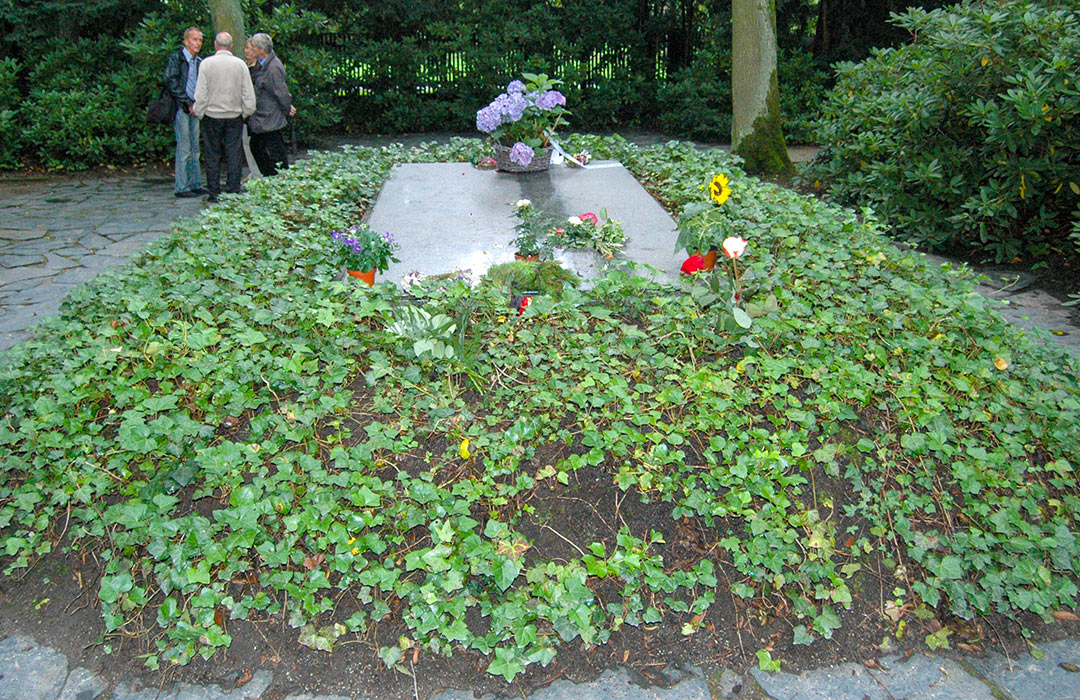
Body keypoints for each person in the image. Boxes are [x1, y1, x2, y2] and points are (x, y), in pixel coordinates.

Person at [193, 32, 256, 203]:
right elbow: (247, 93)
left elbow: (201, 93)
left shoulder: (206, 64)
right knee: (233, 153)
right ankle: (233, 189)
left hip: (211, 115)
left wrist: (200, 112)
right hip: (234, 115)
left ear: (215, 44)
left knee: (212, 154)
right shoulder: (240, 65)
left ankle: (214, 191)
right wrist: (246, 111)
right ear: (231, 45)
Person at [162, 26, 204, 198]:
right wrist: (187, 102)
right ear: (186, 41)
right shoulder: (176, 59)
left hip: (196, 107)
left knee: (196, 148)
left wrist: (197, 104)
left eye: (200, 40)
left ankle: (195, 183)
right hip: (181, 107)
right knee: (184, 147)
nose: (198, 43)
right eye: (195, 39)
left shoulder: (200, 61)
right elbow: (171, 81)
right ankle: (182, 186)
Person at [246, 33, 296, 177]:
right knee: (259, 147)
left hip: (270, 117)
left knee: (273, 151)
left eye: (254, 46)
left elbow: (281, 92)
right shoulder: (264, 65)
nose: (251, 49)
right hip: (264, 117)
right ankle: (272, 177)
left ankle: (277, 178)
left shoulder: (273, 67)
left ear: (262, 49)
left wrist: (286, 109)